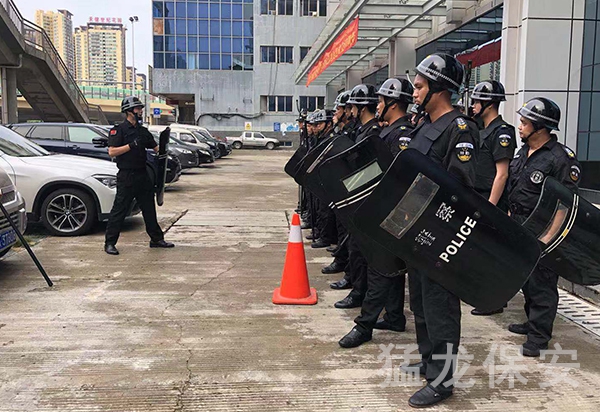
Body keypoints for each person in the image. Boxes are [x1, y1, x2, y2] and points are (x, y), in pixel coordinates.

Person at [402, 53, 479, 408]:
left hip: (441, 234)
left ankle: (443, 380)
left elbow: (460, 188)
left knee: (440, 308)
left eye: (419, 86)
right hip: (417, 232)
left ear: (438, 89)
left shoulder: (459, 129)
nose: (414, 92)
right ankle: (429, 360)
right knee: (419, 302)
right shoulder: (423, 125)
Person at [337, 78, 414, 349]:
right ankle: (394, 317)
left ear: (392, 104)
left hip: (390, 211)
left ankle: (365, 324)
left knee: (380, 269)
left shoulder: (401, 134)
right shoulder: (388, 131)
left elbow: (397, 177)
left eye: (381, 101)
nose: (377, 106)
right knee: (390, 268)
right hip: (381, 209)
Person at [506, 97, 581, 357]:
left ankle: (539, 336)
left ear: (540, 128)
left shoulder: (561, 159)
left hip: (543, 229)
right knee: (526, 279)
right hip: (519, 223)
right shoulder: (522, 152)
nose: (520, 127)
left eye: (524, 123)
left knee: (542, 283)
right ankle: (531, 322)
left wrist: (548, 238)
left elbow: (565, 204)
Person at [469, 80, 517, 316]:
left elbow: (502, 174)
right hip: (478, 196)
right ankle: (485, 294)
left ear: (489, 103)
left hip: (492, 199)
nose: (474, 105)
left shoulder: (502, 132)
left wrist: (490, 207)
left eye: (478, 101)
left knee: (492, 252)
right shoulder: (480, 130)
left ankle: (495, 300)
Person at [104, 96, 175, 255]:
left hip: (143, 175)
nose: (141, 111)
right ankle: (109, 243)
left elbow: (157, 148)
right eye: (138, 109)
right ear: (129, 111)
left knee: (149, 209)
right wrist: (130, 146)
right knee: (119, 211)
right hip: (126, 176)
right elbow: (112, 151)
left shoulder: (143, 132)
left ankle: (156, 239)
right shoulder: (119, 130)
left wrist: (164, 156)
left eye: (140, 108)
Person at [333, 84, 380, 310]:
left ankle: (359, 293)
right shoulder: (361, 130)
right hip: (355, 196)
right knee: (354, 248)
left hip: (366, 198)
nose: (349, 110)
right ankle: (356, 287)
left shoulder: (373, 132)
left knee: (360, 251)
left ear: (362, 108)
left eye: (352, 106)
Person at [309, 110, 338, 249]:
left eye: (318, 124)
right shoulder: (320, 138)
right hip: (320, 180)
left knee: (326, 211)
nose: (315, 128)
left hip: (329, 180)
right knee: (320, 209)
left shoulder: (332, 138)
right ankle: (321, 233)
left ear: (328, 124)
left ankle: (326, 237)